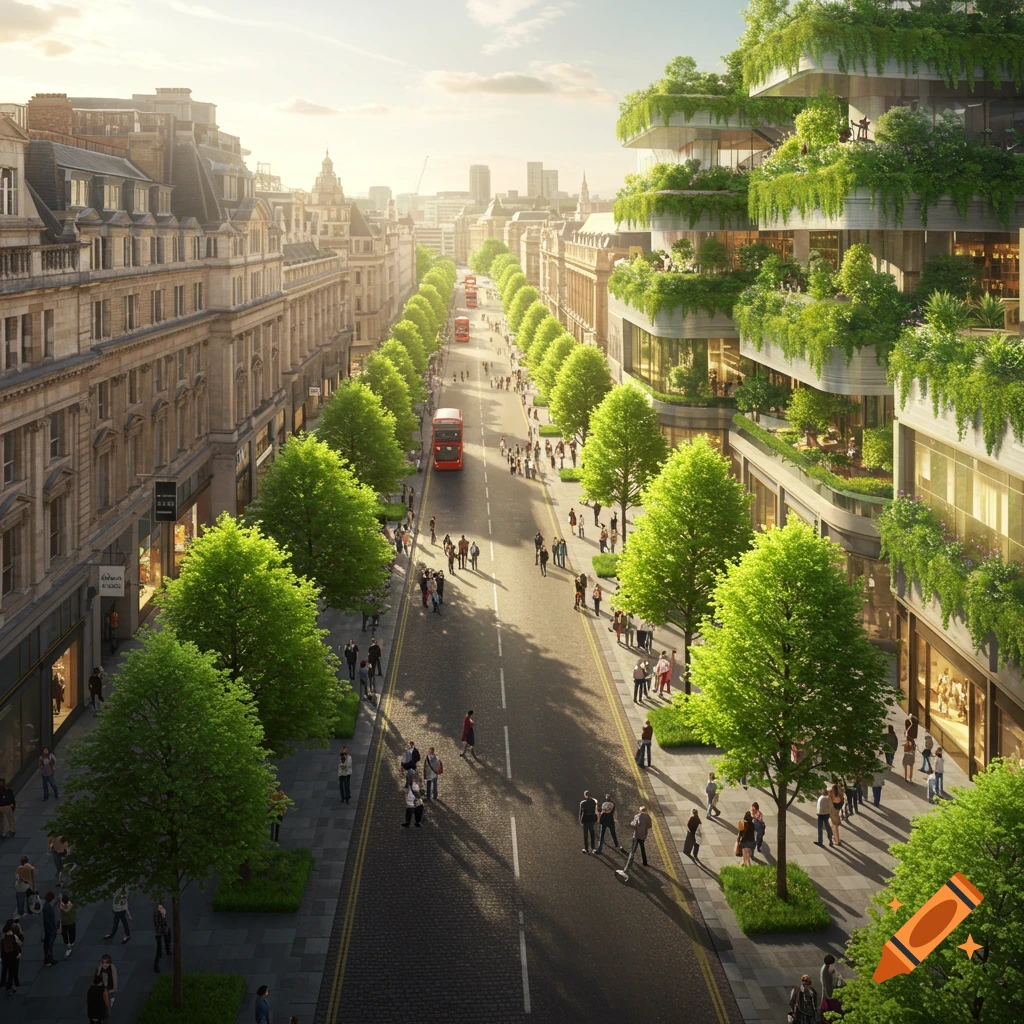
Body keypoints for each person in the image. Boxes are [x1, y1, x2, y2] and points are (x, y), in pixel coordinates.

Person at [616, 805, 652, 880]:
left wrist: (636, 825)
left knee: (632, 851)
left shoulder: (637, 816)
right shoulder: (648, 817)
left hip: (636, 836)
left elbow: (632, 824)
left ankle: (626, 869)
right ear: (645, 811)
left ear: (640, 811)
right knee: (642, 848)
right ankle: (645, 862)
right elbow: (649, 826)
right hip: (643, 836)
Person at [1, 920, 21, 995]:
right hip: (13, 956)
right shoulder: (14, 936)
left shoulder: (3, 937)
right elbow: (18, 944)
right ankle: (10, 987)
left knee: (8, 970)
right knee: (13, 972)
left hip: (5, 956)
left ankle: (8, 984)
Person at [152, 901, 170, 973]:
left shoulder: (161, 912)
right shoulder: (157, 914)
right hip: (159, 932)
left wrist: (165, 926)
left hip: (162, 930)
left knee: (167, 938)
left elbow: (163, 921)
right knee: (159, 949)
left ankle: (168, 950)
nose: (162, 908)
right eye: (160, 907)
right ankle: (156, 966)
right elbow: (157, 924)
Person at [41, 891, 58, 966]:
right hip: (51, 929)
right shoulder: (49, 907)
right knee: (49, 945)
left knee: (47, 944)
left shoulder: (45, 906)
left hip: (47, 928)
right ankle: (49, 959)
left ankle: (48, 959)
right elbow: (52, 919)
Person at [60, 892, 77, 957]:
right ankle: (72, 942)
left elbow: (63, 915)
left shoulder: (63, 909)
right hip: (72, 922)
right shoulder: (71, 905)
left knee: (65, 933)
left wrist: (62, 908)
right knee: (72, 932)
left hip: (65, 923)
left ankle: (68, 943)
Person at [828, 781, 843, 846]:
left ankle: (837, 840)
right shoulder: (840, 791)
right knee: (834, 825)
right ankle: (836, 838)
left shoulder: (831, 792)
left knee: (835, 826)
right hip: (837, 809)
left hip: (833, 811)